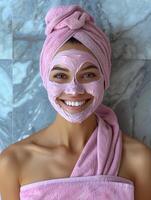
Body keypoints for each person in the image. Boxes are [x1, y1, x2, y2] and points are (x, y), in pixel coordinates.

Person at [0, 5, 151, 200]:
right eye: (61, 75)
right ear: (45, 80)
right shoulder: (13, 162)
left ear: (104, 78)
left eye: (88, 74)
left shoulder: (139, 160)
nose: (74, 90)